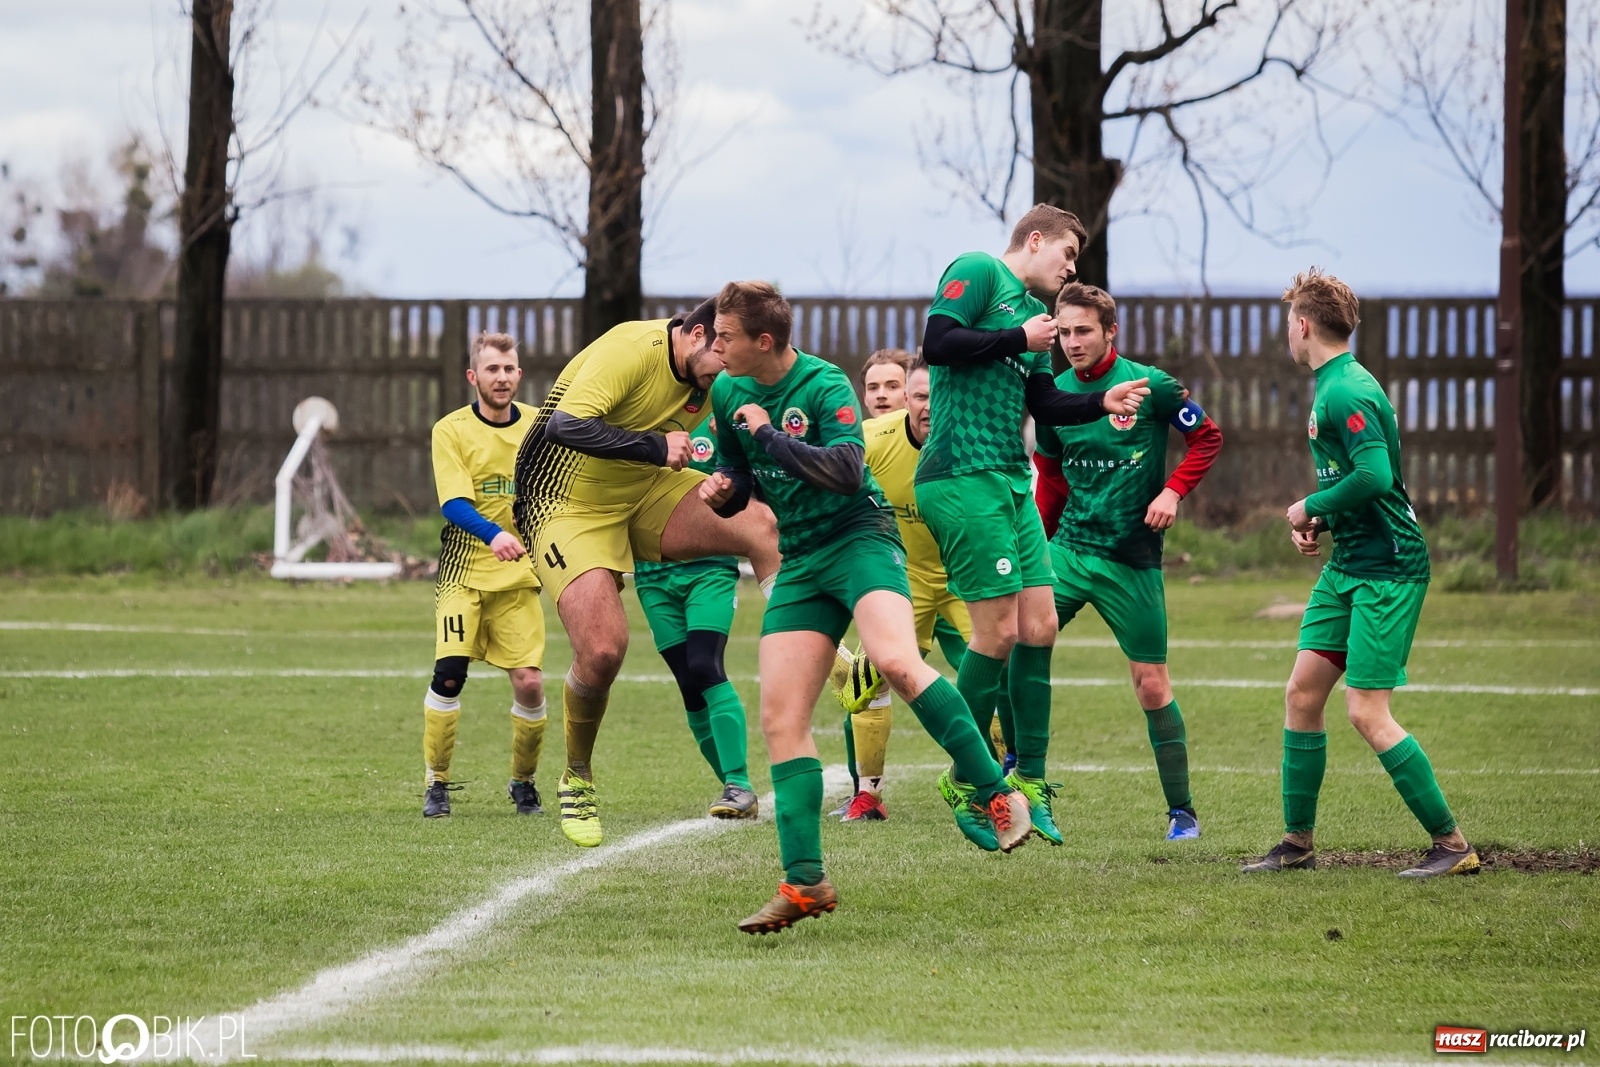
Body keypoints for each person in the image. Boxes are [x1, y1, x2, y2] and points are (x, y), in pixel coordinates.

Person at [701, 281, 1034, 935]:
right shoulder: (726, 392)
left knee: (894, 660)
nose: (714, 346)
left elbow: (846, 472)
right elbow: (742, 476)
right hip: (801, 559)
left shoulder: (823, 387)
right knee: (781, 717)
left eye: (725, 336)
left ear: (763, 341)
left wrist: (768, 438)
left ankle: (994, 790)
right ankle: (804, 882)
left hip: (860, 539)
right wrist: (724, 492)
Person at [915, 204, 1151, 847]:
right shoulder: (979, 271)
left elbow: (1043, 401)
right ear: (1036, 239)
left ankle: (1033, 783)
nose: (1072, 267)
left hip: (1009, 481)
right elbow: (937, 343)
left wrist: (1098, 399)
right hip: (962, 474)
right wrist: (1020, 338)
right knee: (993, 635)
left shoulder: (1035, 321)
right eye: (1068, 254)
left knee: (1040, 626)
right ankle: (970, 781)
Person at [513, 298, 781, 848]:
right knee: (605, 650)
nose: (728, 371)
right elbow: (563, 426)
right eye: (724, 354)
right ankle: (577, 777)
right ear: (698, 334)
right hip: (562, 502)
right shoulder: (632, 347)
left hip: (643, 491)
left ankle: (829, 665)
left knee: (761, 527)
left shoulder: (717, 377)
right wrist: (654, 445)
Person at [1242, 268, 1478, 879]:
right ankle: (1297, 843)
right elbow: (1362, 482)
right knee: (1302, 693)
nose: (1286, 333)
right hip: (1349, 565)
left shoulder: (1345, 391)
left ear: (1303, 325)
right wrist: (1322, 523)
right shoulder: (1333, 385)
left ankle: (1453, 845)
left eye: (1288, 322)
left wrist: (1308, 507)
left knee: (1367, 711)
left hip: (1388, 570)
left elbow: (1374, 477)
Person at [1031, 284, 1224, 841]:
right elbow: (1051, 477)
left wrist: (1173, 492)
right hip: (1067, 552)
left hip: (1132, 559)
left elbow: (1207, 438)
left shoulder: (1152, 385)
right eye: (1063, 332)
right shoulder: (1053, 397)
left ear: (1110, 331)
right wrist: (1037, 546)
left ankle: (1182, 812)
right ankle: (1019, 770)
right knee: (1020, 637)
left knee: (1151, 686)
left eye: (1082, 331)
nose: (1071, 343)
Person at [834, 360, 977, 821]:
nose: (927, 406)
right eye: (918, 396)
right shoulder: (872, 439)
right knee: (864, 686)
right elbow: (835, 489)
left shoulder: (974, 439)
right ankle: (867, 794)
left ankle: (994, 781)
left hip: (964, 574)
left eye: (891, 385)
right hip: (903, 576)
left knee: (996, 673)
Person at [423, 332, 548, 819]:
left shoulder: (540, 428)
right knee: (450, 677)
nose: (502, 377)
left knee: (531, 683)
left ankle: (523, 783)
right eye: (492, 369)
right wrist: (494, 534)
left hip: (518, 580)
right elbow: (453, 503)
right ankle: (437, 784)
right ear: (474, 377)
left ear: (519, 374)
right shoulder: (450, 430)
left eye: (509, 368)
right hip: (462, 576)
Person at [631, 410, 758, 820]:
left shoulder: (716, 412)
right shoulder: (632, 419)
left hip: (708, 567)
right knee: (688, 684)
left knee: (705, 665)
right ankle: (735, 788)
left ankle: (738, 782)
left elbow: (749, 480)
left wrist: (735, 446)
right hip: (652, 573)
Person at [861, 348, 913, 417]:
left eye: (892, 387)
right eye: (873, 388)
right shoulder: (857, 427)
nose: (881, 395)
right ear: (865, 398)